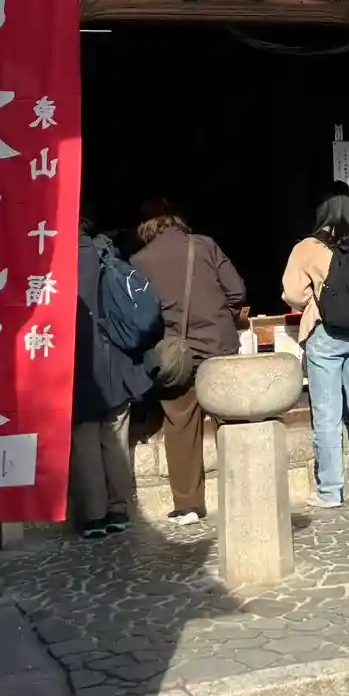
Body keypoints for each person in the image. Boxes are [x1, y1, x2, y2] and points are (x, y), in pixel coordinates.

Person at [131, 200, 246, 525]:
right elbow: (237, 291)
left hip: (175, 355)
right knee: (231, 420)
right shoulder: (204, 245)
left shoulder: (138, 262)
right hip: (218, 347)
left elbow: (140, 316)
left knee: (179, 425)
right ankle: (243, 493)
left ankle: (188, 506)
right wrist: (218, 314)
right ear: (176, 221)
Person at [283, 182, 349, 511]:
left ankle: (330, 491)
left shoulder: (308, 247)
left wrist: (315, 298)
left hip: (325, 333)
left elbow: (292, 293)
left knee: (327, 415)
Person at [70, 226, 159, 538]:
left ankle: (94, 516)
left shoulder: (55, 261)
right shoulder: (106, 254)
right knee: (115, 439)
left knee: (85, 441)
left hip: (77, 363)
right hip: (116, 362)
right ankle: (118, 509)